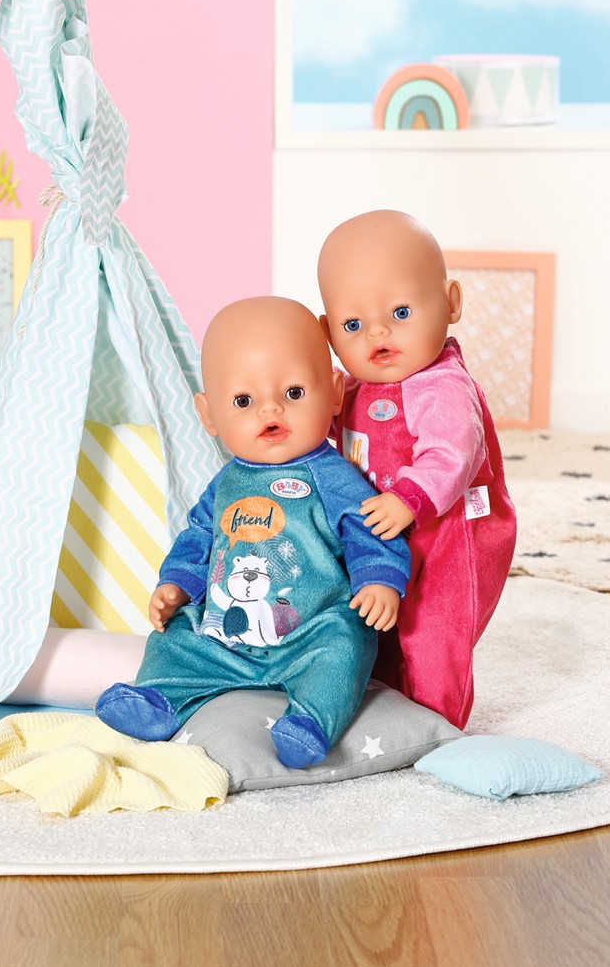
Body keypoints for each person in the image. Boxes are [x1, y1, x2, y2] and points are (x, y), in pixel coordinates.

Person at [96, 296, 411, 768]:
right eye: (243, 401)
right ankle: (158, 701)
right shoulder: (226, 483)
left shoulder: (331, 477)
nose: (271, 408)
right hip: (225, 636)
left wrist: (380, 579)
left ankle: (310, 722)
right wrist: (176, 584)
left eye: (294, 392)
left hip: (309, 634)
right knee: (173, 635)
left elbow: (370, 527)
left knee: (349, 640)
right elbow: (199, 536)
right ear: (209, 415)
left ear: (334, 393)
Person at [318, 210, 517, 729]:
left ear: (450, 303)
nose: (378, 332)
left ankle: (435, 722)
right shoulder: (352, 388)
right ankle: (385, 704)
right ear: (328, 333)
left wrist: (409, 499)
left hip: (448, 535)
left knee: (433, 630)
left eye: (401, 311)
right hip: (381, 537)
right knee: (374, 622)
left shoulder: (442, 386)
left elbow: (453, 453)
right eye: (353, 325)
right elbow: (319, 427)